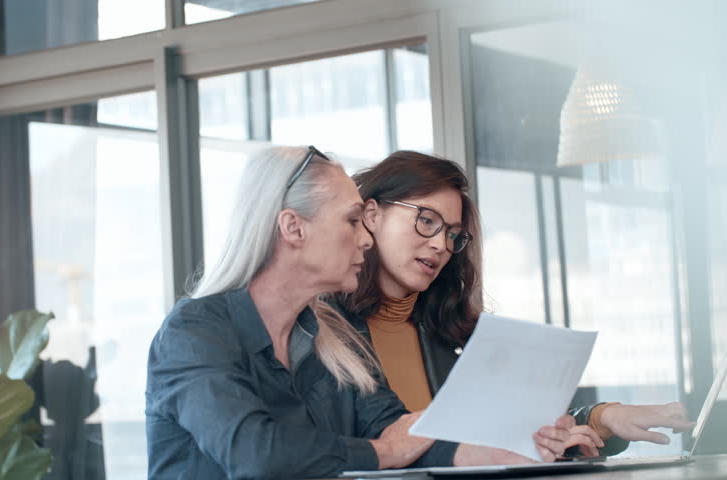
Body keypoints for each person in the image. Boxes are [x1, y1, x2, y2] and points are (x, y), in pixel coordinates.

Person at [145, 146, 586, 479]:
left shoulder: (335, 338)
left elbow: (401, 432)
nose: (366, 239)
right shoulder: (194, 332)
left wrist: (510, 449)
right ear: (293, 227)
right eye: (352, 221)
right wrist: (384, 453)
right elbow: (257, 454)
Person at [333, 150, 696, 459]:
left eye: (452, 234)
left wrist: (602, 418)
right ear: (371, 214)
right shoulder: (320, 331)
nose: (441, 245)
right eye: (427, 221)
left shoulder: (448, 332)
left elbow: (508, 429)